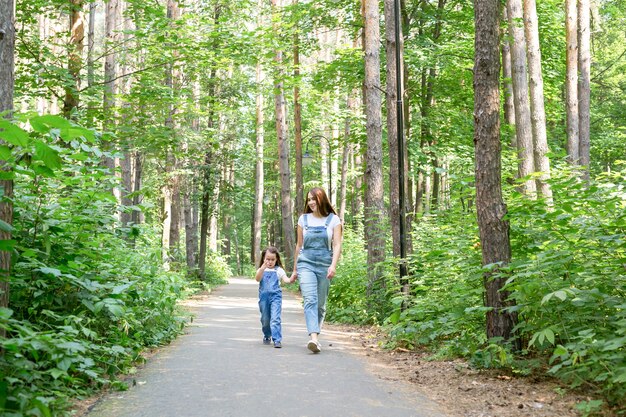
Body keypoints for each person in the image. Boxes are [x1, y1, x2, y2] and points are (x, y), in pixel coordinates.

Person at [289, 187, 342, 353]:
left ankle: (315, 335)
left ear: (321, 199)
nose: (311, 202)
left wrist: (333, 265)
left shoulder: (334, 220)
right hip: (306, 263)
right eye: (308, 200)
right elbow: (299, 246)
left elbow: (337, 244)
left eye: (313, 199)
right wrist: (295, 269)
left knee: (320, 304)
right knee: (310, 300)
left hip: (325, 263)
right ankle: (314, 338)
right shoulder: (303, 220)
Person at [256, 247, 289, 348]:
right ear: (264, 259)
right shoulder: (261, 270)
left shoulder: (278, 270)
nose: (270, 262)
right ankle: (267, 335)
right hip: (263, 298)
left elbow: (286, 280)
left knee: (275, 318)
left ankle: (277, 339)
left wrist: (292, 278)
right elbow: (257, 279)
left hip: (276, 297)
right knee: (265, 319)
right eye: (267, 259)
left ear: (276, 260)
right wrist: (262, 268)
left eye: (272, 259)